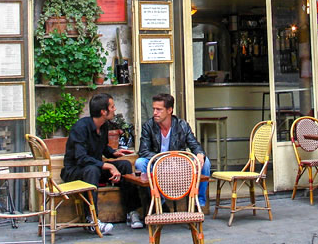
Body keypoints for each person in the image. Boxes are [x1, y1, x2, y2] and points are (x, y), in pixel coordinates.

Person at [62, 93, 143, 232]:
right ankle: (92, 220)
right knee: (91, 170)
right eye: (112, 107)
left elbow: (102, 147)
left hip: (94, 168)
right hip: (74, 171)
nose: (114, 109)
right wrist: (108, 165)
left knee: (124, 165)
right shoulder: (80, 128)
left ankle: (132, 212)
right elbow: (81, 158)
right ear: (103, 112)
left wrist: (113, 153)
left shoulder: (104, 126)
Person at [136, 93, 211, 207]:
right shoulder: (149, 126)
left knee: (205, 162)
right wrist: (164, 159)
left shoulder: (182, 125)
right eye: (154, 109)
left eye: (159, 109)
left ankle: (198, 202)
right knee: (140, 162)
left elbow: (194, 144)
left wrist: (200, 154)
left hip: (178, 164)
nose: (155, 113)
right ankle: (159, 202)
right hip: (158, 164)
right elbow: (143, 151)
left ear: (169, 110)